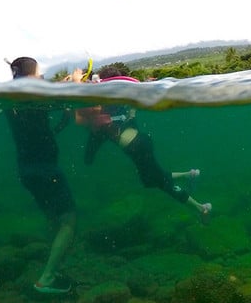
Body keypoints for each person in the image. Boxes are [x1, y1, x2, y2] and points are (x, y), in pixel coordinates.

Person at [71, 65, 212, 223]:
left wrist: (76, 83)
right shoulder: (118, 101)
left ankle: (201, 208)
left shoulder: (100, 108)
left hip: (136, 146)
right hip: (139, 142)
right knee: (152, 177)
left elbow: (80, 118)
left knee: (161, 182)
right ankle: (190, 174)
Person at [5, 57, 77, 294]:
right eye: (38, 73)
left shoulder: (13, 101)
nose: (42, 77)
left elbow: (39, 135)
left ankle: (51, 263)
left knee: (52, 218)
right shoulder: (34, 96)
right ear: (28, 77)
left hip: (28, 171)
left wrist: (64, 122)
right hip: (46, 171)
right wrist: (74, 83)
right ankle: (47, 277)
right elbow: (54, 99)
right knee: (68, 221)